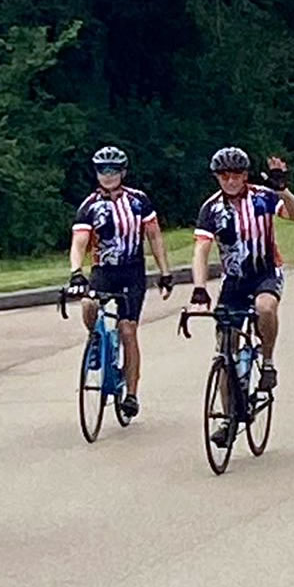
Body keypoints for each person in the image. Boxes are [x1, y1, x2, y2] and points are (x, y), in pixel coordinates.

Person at [189, 147, 294, 423]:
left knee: (265, 307)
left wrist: (282, 189)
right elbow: (201, 251)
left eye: (237, 175)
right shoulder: (211, 209)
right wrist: (199, 288)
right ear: (217, 177)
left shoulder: (263, 197)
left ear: (245, 175)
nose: (231, 181)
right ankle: (229, 417)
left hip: (265, 272)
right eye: (225, 175)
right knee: (223, 351)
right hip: (235, 280)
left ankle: (267, 362)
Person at [67, 146, 174, 419]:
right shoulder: (89, 206)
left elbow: (155, 237)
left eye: (114, 169)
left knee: (128, 330)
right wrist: (76, 271)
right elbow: (78, 242)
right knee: (89, 304)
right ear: (96, 172)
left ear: (123, 172)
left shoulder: (139, 201)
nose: (108, 175)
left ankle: (132, 394)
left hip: (131, 272)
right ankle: (95, 341)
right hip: (104, 270)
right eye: (103, 169)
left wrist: (165, 272)